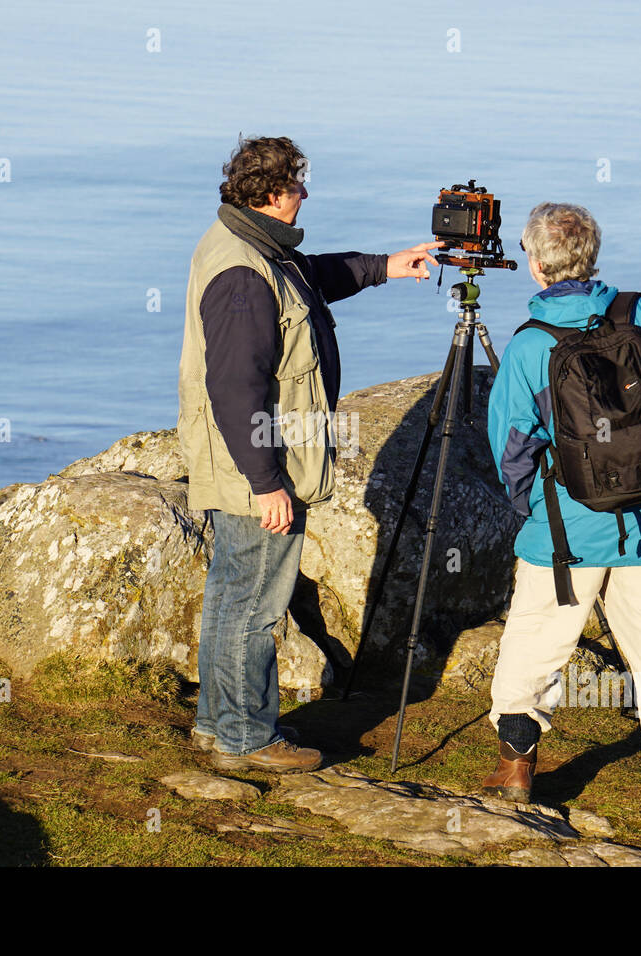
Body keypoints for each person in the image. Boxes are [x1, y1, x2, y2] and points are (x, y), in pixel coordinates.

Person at [177, 136, 441, 772]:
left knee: (232, 593)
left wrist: (386, 265)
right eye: (298, 184)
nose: (306, 193)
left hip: (243, 460)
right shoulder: (242, 273)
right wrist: (268, 482)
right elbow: (238, 387)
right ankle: (246, 740)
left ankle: (218, 726)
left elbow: (312, 278)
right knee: (257, 604)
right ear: (272, 195)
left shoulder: (253, 246)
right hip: (258, 465)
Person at [483, 202, 641, 829]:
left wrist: (533, 505)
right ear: (592, 256)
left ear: (535, 266)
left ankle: (515, 771)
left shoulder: (533, 345)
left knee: (536, 642)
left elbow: (511, 445)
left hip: (566, 530)